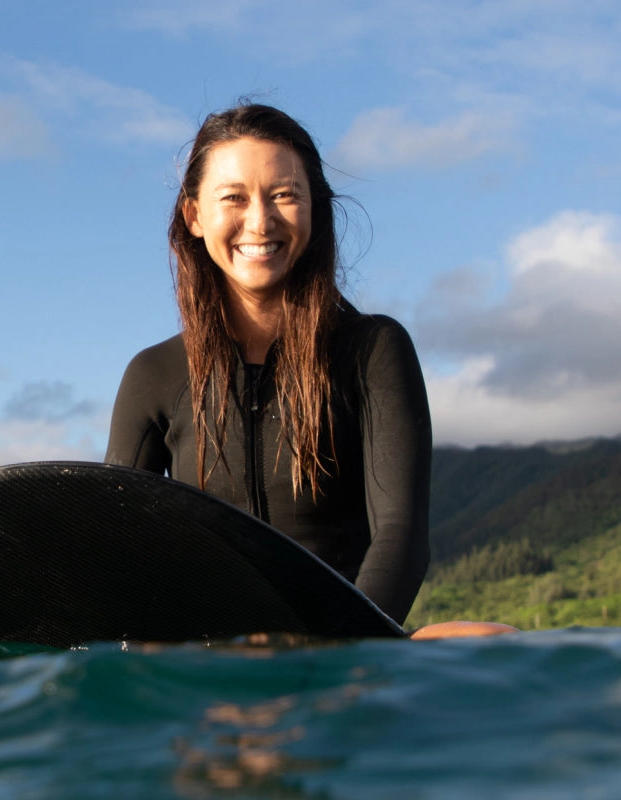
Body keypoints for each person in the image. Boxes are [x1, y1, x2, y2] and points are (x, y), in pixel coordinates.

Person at [105, 102, 514, 639]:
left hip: (346, 647)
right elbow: (116, 548)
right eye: (234, 198)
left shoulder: (373, 350)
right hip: (211, 658)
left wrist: (340, 654)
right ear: (194, 216)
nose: (260, 221)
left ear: (314, 210)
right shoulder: (154, 375)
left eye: (284, 195)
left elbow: (400, 535)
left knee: (491, 638)